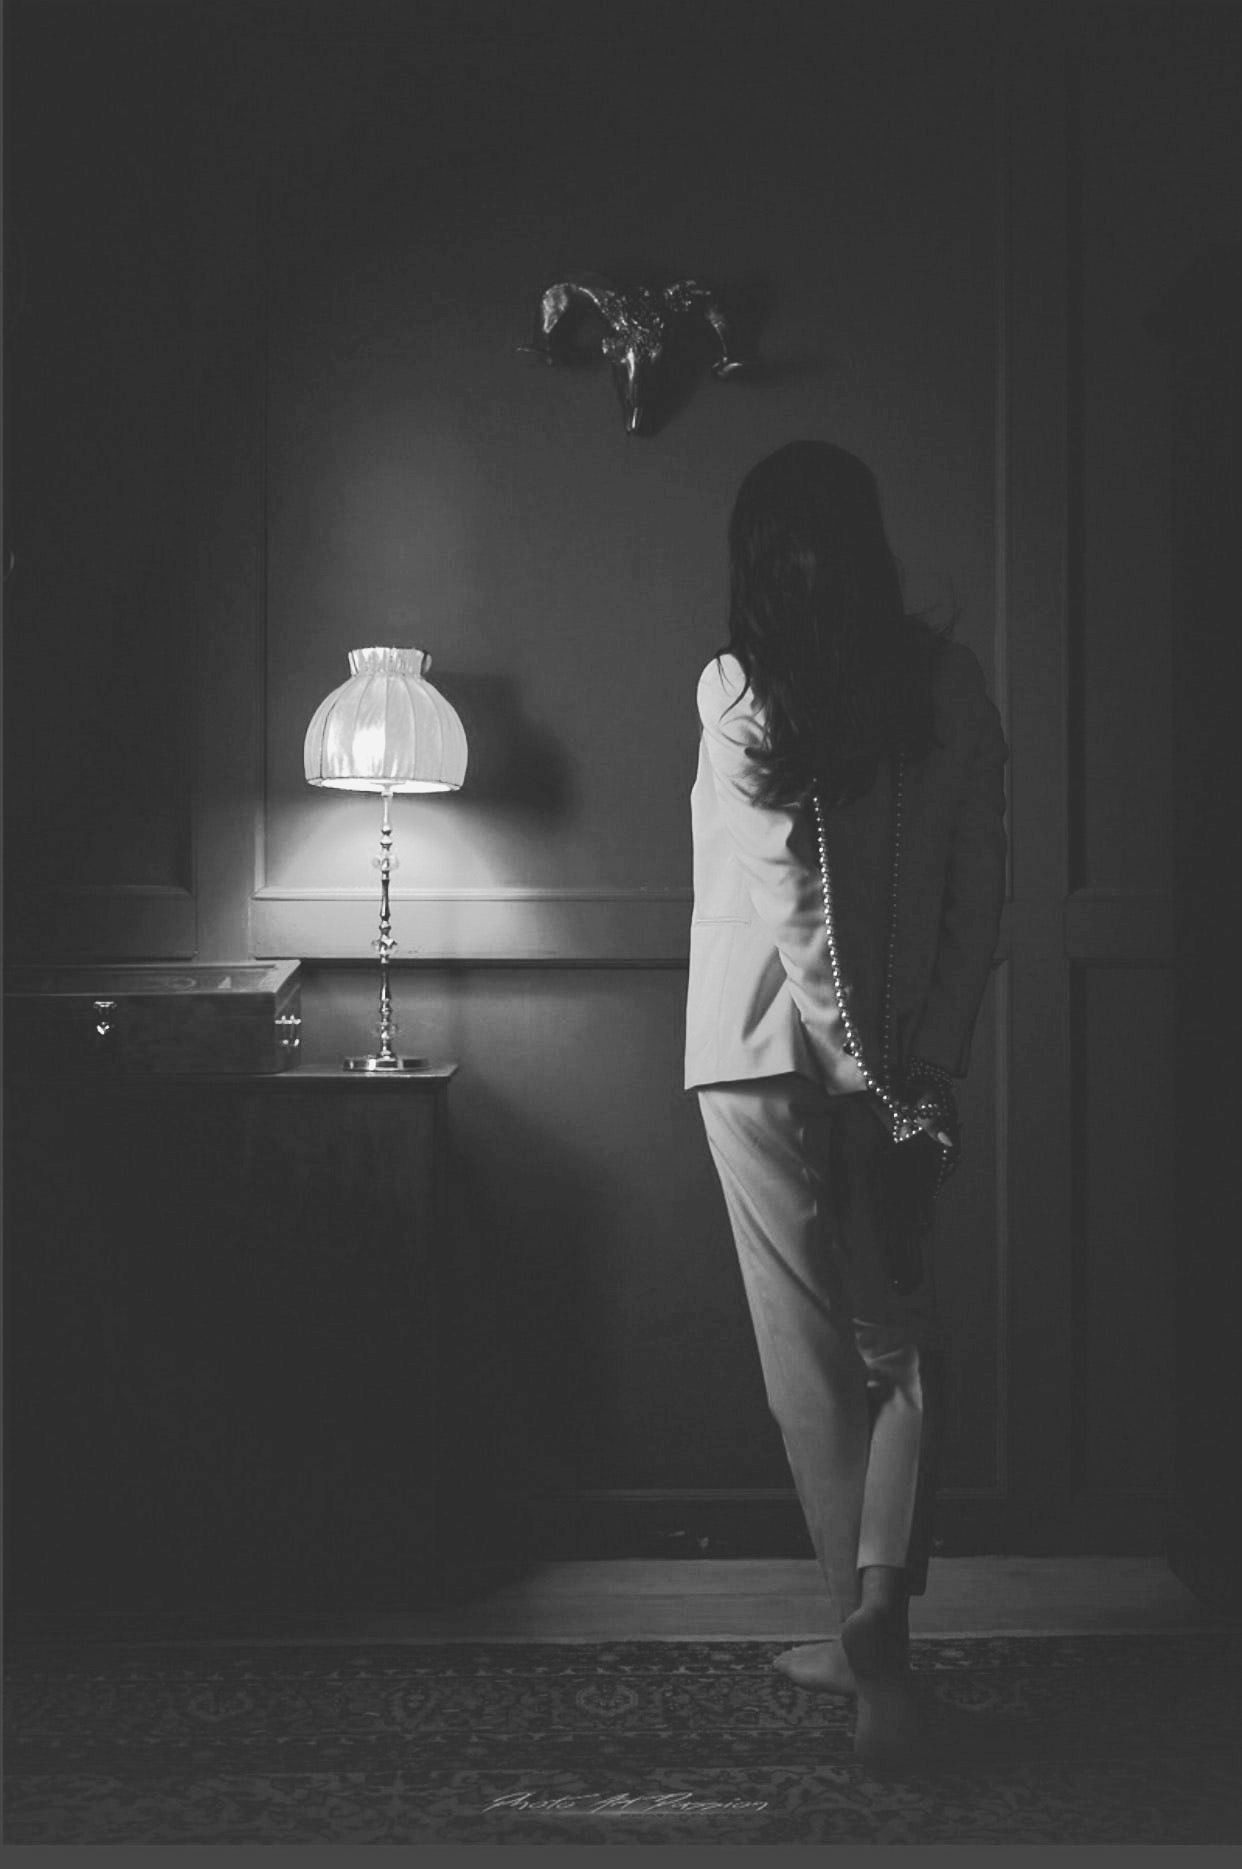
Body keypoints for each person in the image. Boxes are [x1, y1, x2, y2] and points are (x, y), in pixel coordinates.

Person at [684, 439, 1007, 1766]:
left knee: (813, 1364)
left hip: (756, 1053)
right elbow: (975, 896)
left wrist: (880, 1071)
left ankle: (870, 1647)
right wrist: (913, 1070)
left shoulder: (739, 687)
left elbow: (795, 906)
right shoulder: (947, 681)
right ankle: (877, 1633)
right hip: (878, 1064)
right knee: (899, 1347)